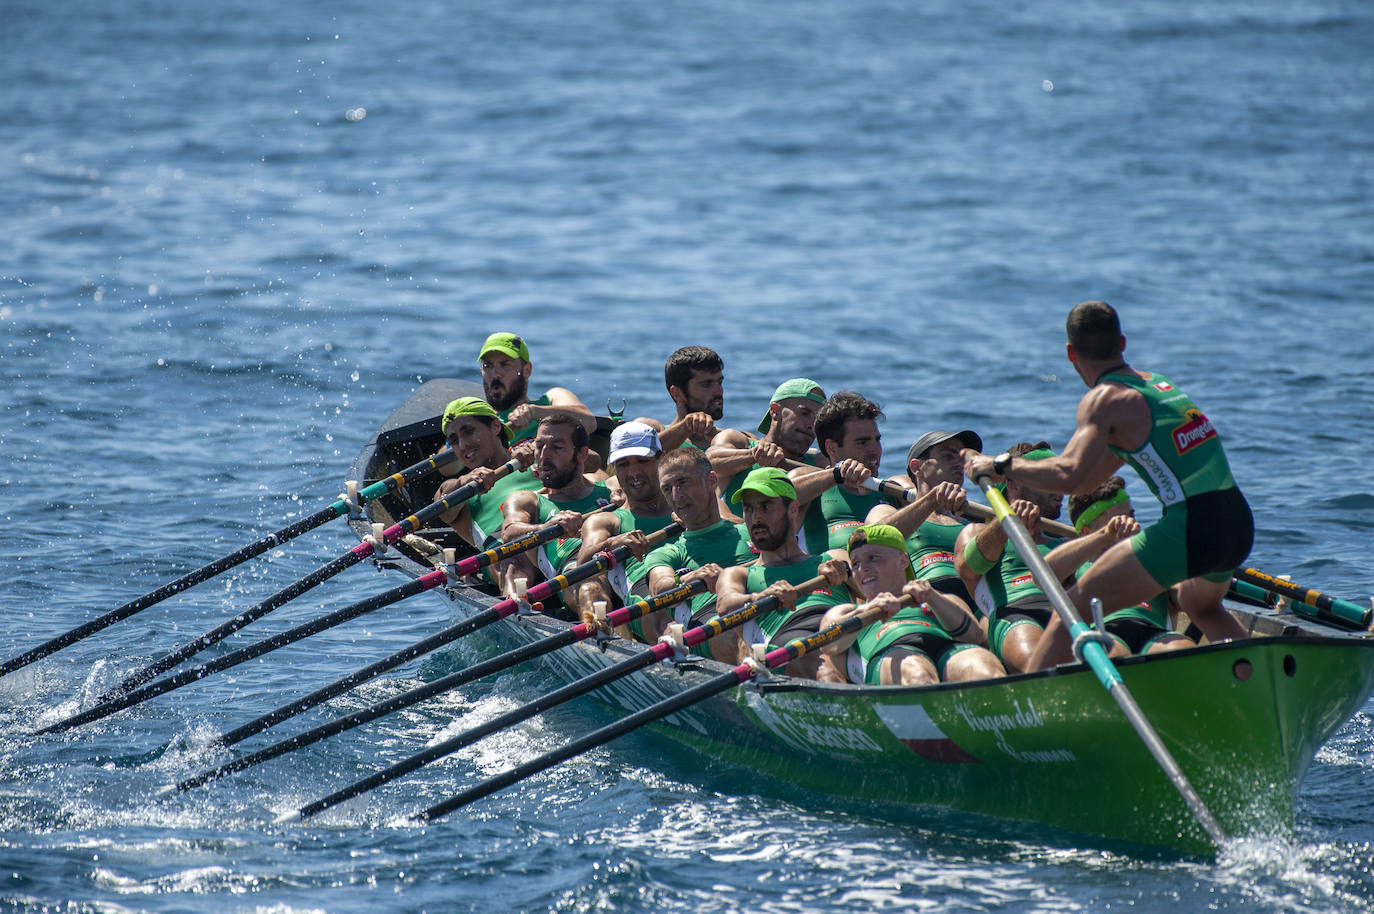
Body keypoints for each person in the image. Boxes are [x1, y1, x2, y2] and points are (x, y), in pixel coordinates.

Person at [964, 300, 1252, 661]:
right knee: (1202, 607)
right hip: (1237, 522)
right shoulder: (1158, 385)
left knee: (1073, 607)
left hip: (1190, 527)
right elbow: (1086, 482)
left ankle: (1034, 705)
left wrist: (1000, 465)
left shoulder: (1104, 400)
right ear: (1123, 342)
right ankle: (1257, 682)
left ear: (1071, 353)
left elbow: (1069, 474)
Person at [1028, 477, 1195, 668]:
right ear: (1086, 531)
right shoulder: (1076, 568)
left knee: (1181, 649)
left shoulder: (1153, 561)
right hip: (1105, 635)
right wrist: (1106, 536)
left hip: (1156, 634)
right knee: (1111, 655)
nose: (1131, 524)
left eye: (1131, 516)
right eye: (1118, 521)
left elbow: (1190, 597)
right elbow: (1041, 576)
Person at [815, 525, 1005, 685]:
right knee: (916, 672)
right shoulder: (846, 611)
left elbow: (975, 636)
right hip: (892, 654)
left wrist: (932, 597)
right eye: (855, 563)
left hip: (947, 649)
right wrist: (868, 609)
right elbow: (828, 645)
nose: (861, 569)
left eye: (873, 558)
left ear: (903, 560)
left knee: (983, 665)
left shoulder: (936, 599)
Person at [714, 467, 852, 677]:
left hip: (848, 628)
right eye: (748, 509)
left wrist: (847, 576)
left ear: (793, 509)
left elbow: (873, 591)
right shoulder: (739, 575)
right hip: (791, 640)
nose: (755, 518)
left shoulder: (833, 558)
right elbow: (725, 605)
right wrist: (761, 596)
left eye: (765, 506)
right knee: (814, 661)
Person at [626, 447, 757, 660]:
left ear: (712, 481)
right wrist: (689, 577)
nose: (676, 496)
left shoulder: (751, 531)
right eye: (667, 489)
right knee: (736, 635)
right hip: (712, 624)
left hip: (768, 606)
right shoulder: (668, 553)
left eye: (683, 483)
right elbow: (660, 588)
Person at [953, 442, 1073, 673]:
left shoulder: (1066, 542)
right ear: (1013, 482)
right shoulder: (977, 532)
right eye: (1048, 480)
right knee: (1039, 664)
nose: (1061, 491)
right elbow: (968, 569)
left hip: (1070, 612)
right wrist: (1007, 520)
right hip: (1016, 614)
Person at [499, 414, 613, 615]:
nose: (544, 456)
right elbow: (509, 532)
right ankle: (604, 637)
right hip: (576, 572)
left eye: (557, 448)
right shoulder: (528, 500)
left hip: (628, 558)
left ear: (582, 454)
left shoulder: (611, 489)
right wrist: (545, 527)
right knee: (590, 588)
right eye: (540, 446)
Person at [568, 422, 676, 616]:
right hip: (651, 608)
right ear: (614, 469)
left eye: (642, 461)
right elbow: (583, 565)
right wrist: (613, 542)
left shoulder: (688, 505)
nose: (634, 473)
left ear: (662, 459)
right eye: (623, 464)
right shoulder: (606, 522)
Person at [432, 398, 540, 586]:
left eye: (468, 432)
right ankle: (515, 605)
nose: (463, 445)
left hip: (562, 530)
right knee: (513, 559)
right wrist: (464, 481)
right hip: (512, 558)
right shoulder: (461, 490)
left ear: (496, 426)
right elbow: (442, 505)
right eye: (454, 441)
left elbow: (592, 462)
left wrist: (543, 451)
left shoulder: (534, 457)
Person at [868, 429, 982, 607]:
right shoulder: (888, 511)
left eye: (962, 459)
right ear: (917, 467)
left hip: (975, 603)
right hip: (923, 600)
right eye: (948, 456)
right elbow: (873, 542)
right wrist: (932, 500)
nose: (959, 463)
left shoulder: (975, 522)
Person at [794, 391, 897, 554]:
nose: (875, 451)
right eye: (862, 443)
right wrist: (837, 474)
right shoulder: (810, 488)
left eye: (877, 440)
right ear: (832, 448)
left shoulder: (894, 490)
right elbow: (781, 496)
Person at [707, 378, 827, 514]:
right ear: (775, 411)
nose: (811, 425)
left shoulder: (821, 462)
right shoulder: (738, 442)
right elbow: (710, 462)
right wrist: (754, 455)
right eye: (804, 413)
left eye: (817, 419)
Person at [477, 332, 595, 445]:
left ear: (527, 370)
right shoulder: (479, 424)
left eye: (504, 365)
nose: (495, 374)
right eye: (487, 366)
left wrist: (534, 412)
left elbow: (589, 422)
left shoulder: (553, 398)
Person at [635, 345, 726, 451]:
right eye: (706, 385)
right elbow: (638, 455)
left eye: (719, 382)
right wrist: (687, 426)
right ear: (677, 393)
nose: (719, 391)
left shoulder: (733, 439)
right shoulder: (651, 430)